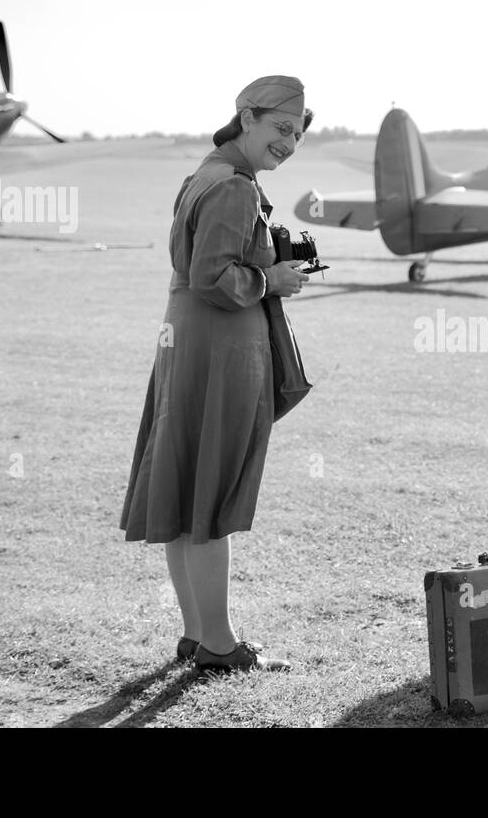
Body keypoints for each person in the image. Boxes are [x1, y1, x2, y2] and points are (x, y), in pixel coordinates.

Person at [120, 76, 312, 672]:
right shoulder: (234, 187)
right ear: (247, 118)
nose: (290, 143)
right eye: (281, 129)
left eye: (299, 134)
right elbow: (213, 275)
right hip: (219, 345)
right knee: (210, 496)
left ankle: (198, 634)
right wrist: (270, 280)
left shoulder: (204, 173)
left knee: (186, 492)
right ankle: (222, 645)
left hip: (187, 337)